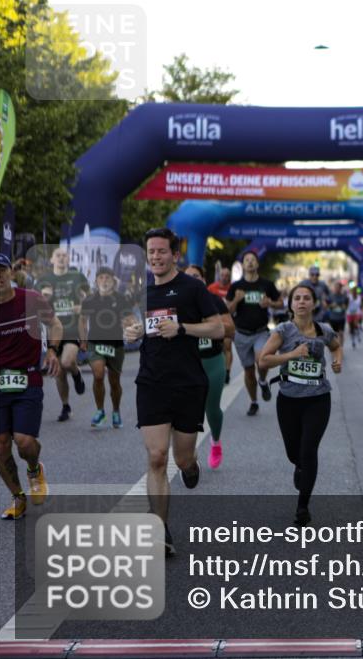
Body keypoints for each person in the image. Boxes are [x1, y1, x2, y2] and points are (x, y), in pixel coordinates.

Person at [124, 229, 224, 555]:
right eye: (150, 252)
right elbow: (136, 327)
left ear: (174, 255)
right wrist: (134, 331)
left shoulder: (193, 288)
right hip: (151, 382)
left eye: (161, 252)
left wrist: (182, 328)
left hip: (188, 383)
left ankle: (191, 465)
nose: (155, 257)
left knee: (180, 458)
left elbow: (218, 327)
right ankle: (160, 530)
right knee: (156, 458)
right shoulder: (140, 291)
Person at [258, 284, 342, 527]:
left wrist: (337, 362)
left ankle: (302, 506)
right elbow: (264, 360)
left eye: (307, 298)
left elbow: (337, 347)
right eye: (297, 298)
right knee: (294, 453)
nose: (302, 302)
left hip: (318, 399)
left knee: (309, 451)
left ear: (314, 303)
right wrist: (291, 355)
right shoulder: (284, 330)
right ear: (291, 304)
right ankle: (299, 467)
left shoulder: (323, 330)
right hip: (289, 400)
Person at [0, 252, 61, 519]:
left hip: (27, 376)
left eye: (1, 270)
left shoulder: (31, 299)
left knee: (24, 442)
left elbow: (55, 324)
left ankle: (34, 468)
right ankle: (17, 497)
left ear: (11, 273)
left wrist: (53, 351)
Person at [186, 264, 235, 469]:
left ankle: (215, 442)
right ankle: (187, 452)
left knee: (211, 408)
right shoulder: (178, 303)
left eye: (196, 276)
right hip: (187, 362)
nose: (192, 280)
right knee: (186, 410)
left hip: (212, 361)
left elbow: (231, 330)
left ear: (204, 280)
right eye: (187, 277)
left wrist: (208, 326)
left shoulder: (213, 301)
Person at [79, 267, 136, 429]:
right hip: (95, 344)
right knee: (98, 375)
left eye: (107, 278)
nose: (104, 281)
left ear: (113, 281)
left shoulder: (121, 299)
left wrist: (132, 328)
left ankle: (116, 411)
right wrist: (83, 340)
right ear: (96, 281)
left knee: (114, 381)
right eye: (101, 278)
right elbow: (82, 320)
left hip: (116, 344)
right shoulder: (89, 300)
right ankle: (100, 411)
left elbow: (130, 318)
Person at [226, 251, 281, 416]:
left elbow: (280, 303)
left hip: (261, 331)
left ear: (257, 264)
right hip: (241, 334)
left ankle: (263, 381)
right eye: (246, 260)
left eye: (253, 260)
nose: (250, 262)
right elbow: (227, 310)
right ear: (243, 265)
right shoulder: (236, 287)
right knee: (249, 372)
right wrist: (236, 300)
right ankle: (254, 401)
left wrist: (269, 302)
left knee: (261, 361)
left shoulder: (266, 284)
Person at [44, 246, 88, 421]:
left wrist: (84, 338)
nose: (61, 258)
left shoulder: (77, 278)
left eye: (64, 256)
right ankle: (65, 406)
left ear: (68, 260)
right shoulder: (46, 280)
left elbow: (88, 303)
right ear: (52, 260)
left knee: (67, 361)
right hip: (54, 331)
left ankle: (77, 374)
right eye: (58, 256)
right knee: (59, 373)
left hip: (71, 329)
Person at [208, 267, 234, 385]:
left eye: (227, 275)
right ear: (219, 276)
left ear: (229, 276)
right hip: (213, 322)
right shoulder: (212, 288)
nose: (224, 277)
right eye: (222, 275)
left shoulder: (233, 288)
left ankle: (227, 372)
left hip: (227, 321)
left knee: (227, 347)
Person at [325, 281, 349, 346]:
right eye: (335, 287)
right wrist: (331, 306)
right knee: (335, 334)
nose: (336, 289)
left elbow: (346, 306)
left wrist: (344, 307)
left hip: (341, 318)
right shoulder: (330, 296)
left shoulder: (344, 297)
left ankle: (341, 348)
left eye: (338, 287)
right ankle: (336, 347)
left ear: (341, 288)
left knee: (341, 333)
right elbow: (325, 306)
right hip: (332, 318)